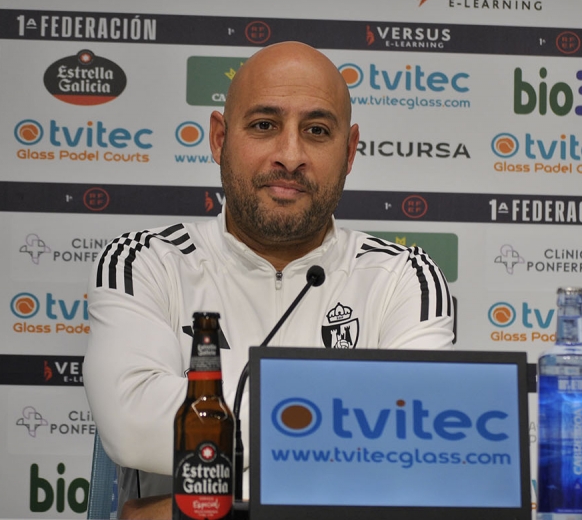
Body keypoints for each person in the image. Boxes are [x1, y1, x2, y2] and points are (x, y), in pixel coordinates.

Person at [83, 41, 455, 519]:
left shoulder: (403, 277)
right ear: (219, 138)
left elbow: (414, 449)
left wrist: (192, 506)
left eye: (317, 131)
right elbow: (134, 427)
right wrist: (355, 425)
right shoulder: (146, 261)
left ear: (349, 151)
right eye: (264, 125)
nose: (290, 155)